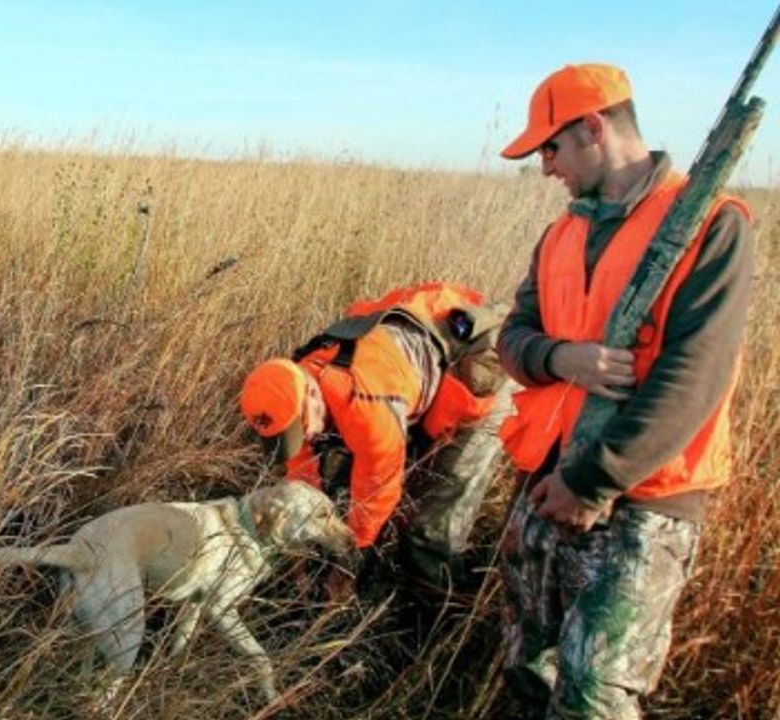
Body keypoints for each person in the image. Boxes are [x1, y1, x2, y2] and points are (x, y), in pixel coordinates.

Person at [496, 64, 753, 719]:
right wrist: (561, 357)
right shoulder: (561, 233)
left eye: (549, 148)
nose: (545, 167)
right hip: (545, 483)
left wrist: (592, 481)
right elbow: (513, 338)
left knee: (592, 695)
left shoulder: (710, 223)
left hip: (642, 499)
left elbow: (694, 377)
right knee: (527, 667)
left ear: (592, 127)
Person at [239, 282, 511, 589]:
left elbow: (377, 494)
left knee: (431, 524)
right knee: (346, 482)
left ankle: (437, 609)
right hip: (414, 356)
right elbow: (302, 477)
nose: (303, 436)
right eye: (286, 434)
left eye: (300, 428)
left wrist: (350, 564)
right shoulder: (293, 387)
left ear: (313, 394)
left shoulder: (365, 406)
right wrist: (300, 552)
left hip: (484, 366)